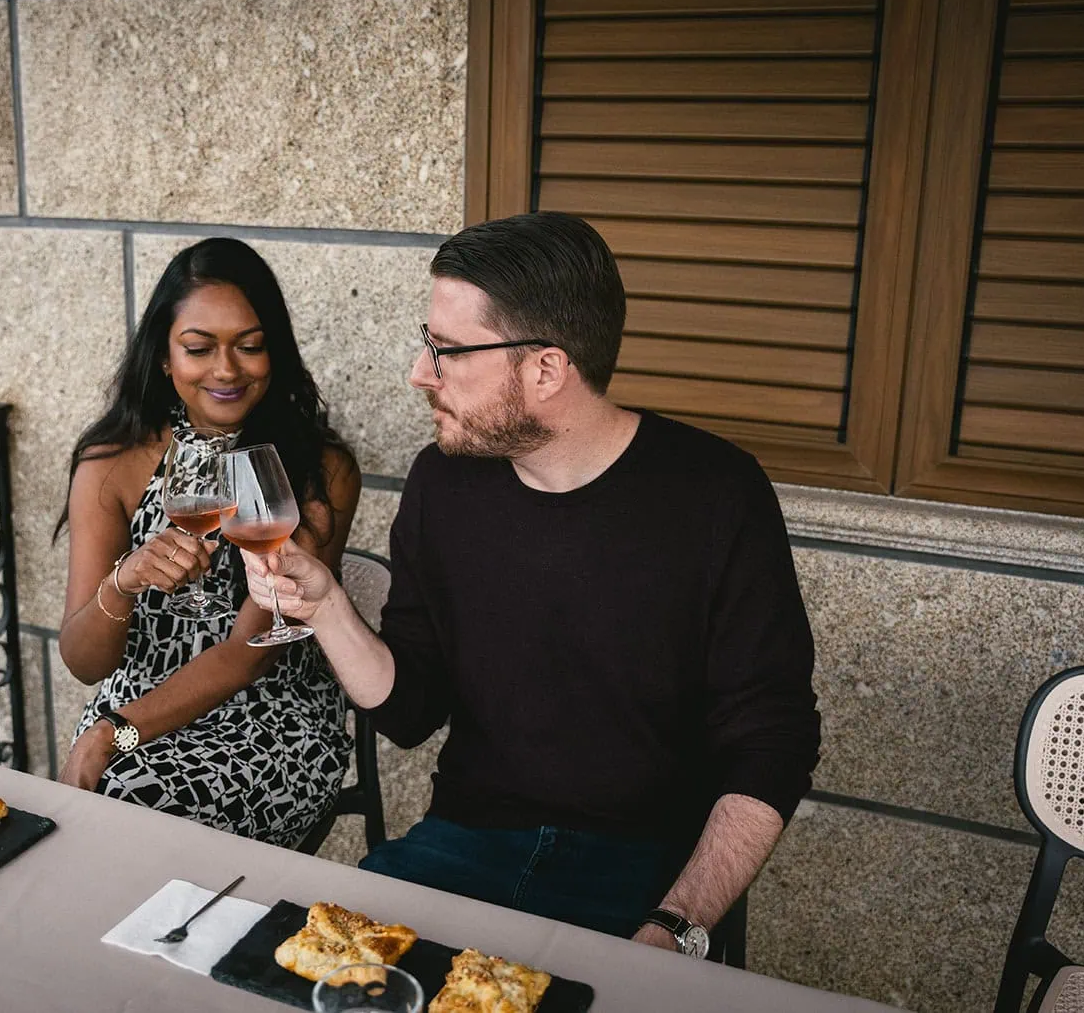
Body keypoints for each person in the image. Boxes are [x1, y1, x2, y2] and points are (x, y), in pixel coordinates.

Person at [242, 212, 820, 953]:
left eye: (446, 351)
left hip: (646, 872)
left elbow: (774, 738)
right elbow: (410, 707)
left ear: (546, 369)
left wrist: (675, 923)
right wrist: (326, 606)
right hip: (462, 844)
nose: (421, 373)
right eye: (428, 345)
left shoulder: (717, 494)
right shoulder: (443, 482)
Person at [53, 237, 360, 848]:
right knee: (104, 821)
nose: (226, 370)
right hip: (136, 703)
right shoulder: (112, 464)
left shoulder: (315, 469)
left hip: (273, 716)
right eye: (199, 348)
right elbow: (86, 662)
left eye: (250, 346)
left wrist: (113, 735)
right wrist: (125, 581)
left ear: (275, 354)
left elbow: (253, 651)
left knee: (128, 808)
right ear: (165, 358)